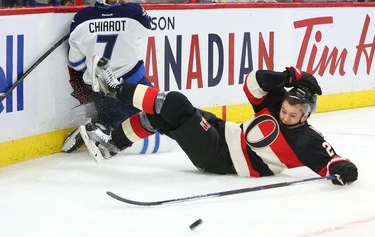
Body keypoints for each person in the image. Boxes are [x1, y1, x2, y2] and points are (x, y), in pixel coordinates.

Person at [81, 57, 358, 187]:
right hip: (222, 133)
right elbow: (254, 81)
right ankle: (111, 146)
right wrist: (291, 77)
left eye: (292, 115)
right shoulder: (275, 104)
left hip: (220, 158)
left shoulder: (306, 139)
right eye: (285, 109)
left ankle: (113, 88)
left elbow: (333, 161)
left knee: (175, 103)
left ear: (306, 115)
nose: (285, 116)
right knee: (157, 115)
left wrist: (345, 171)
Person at [62, 0, 153, 154]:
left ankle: (99, 126)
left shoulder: (81, 19)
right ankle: (96, 128)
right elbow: (147, 29)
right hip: (132, 81)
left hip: (100, 88)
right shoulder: (133, 13)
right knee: (150, 117)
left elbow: (77, 63)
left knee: (135, 118)